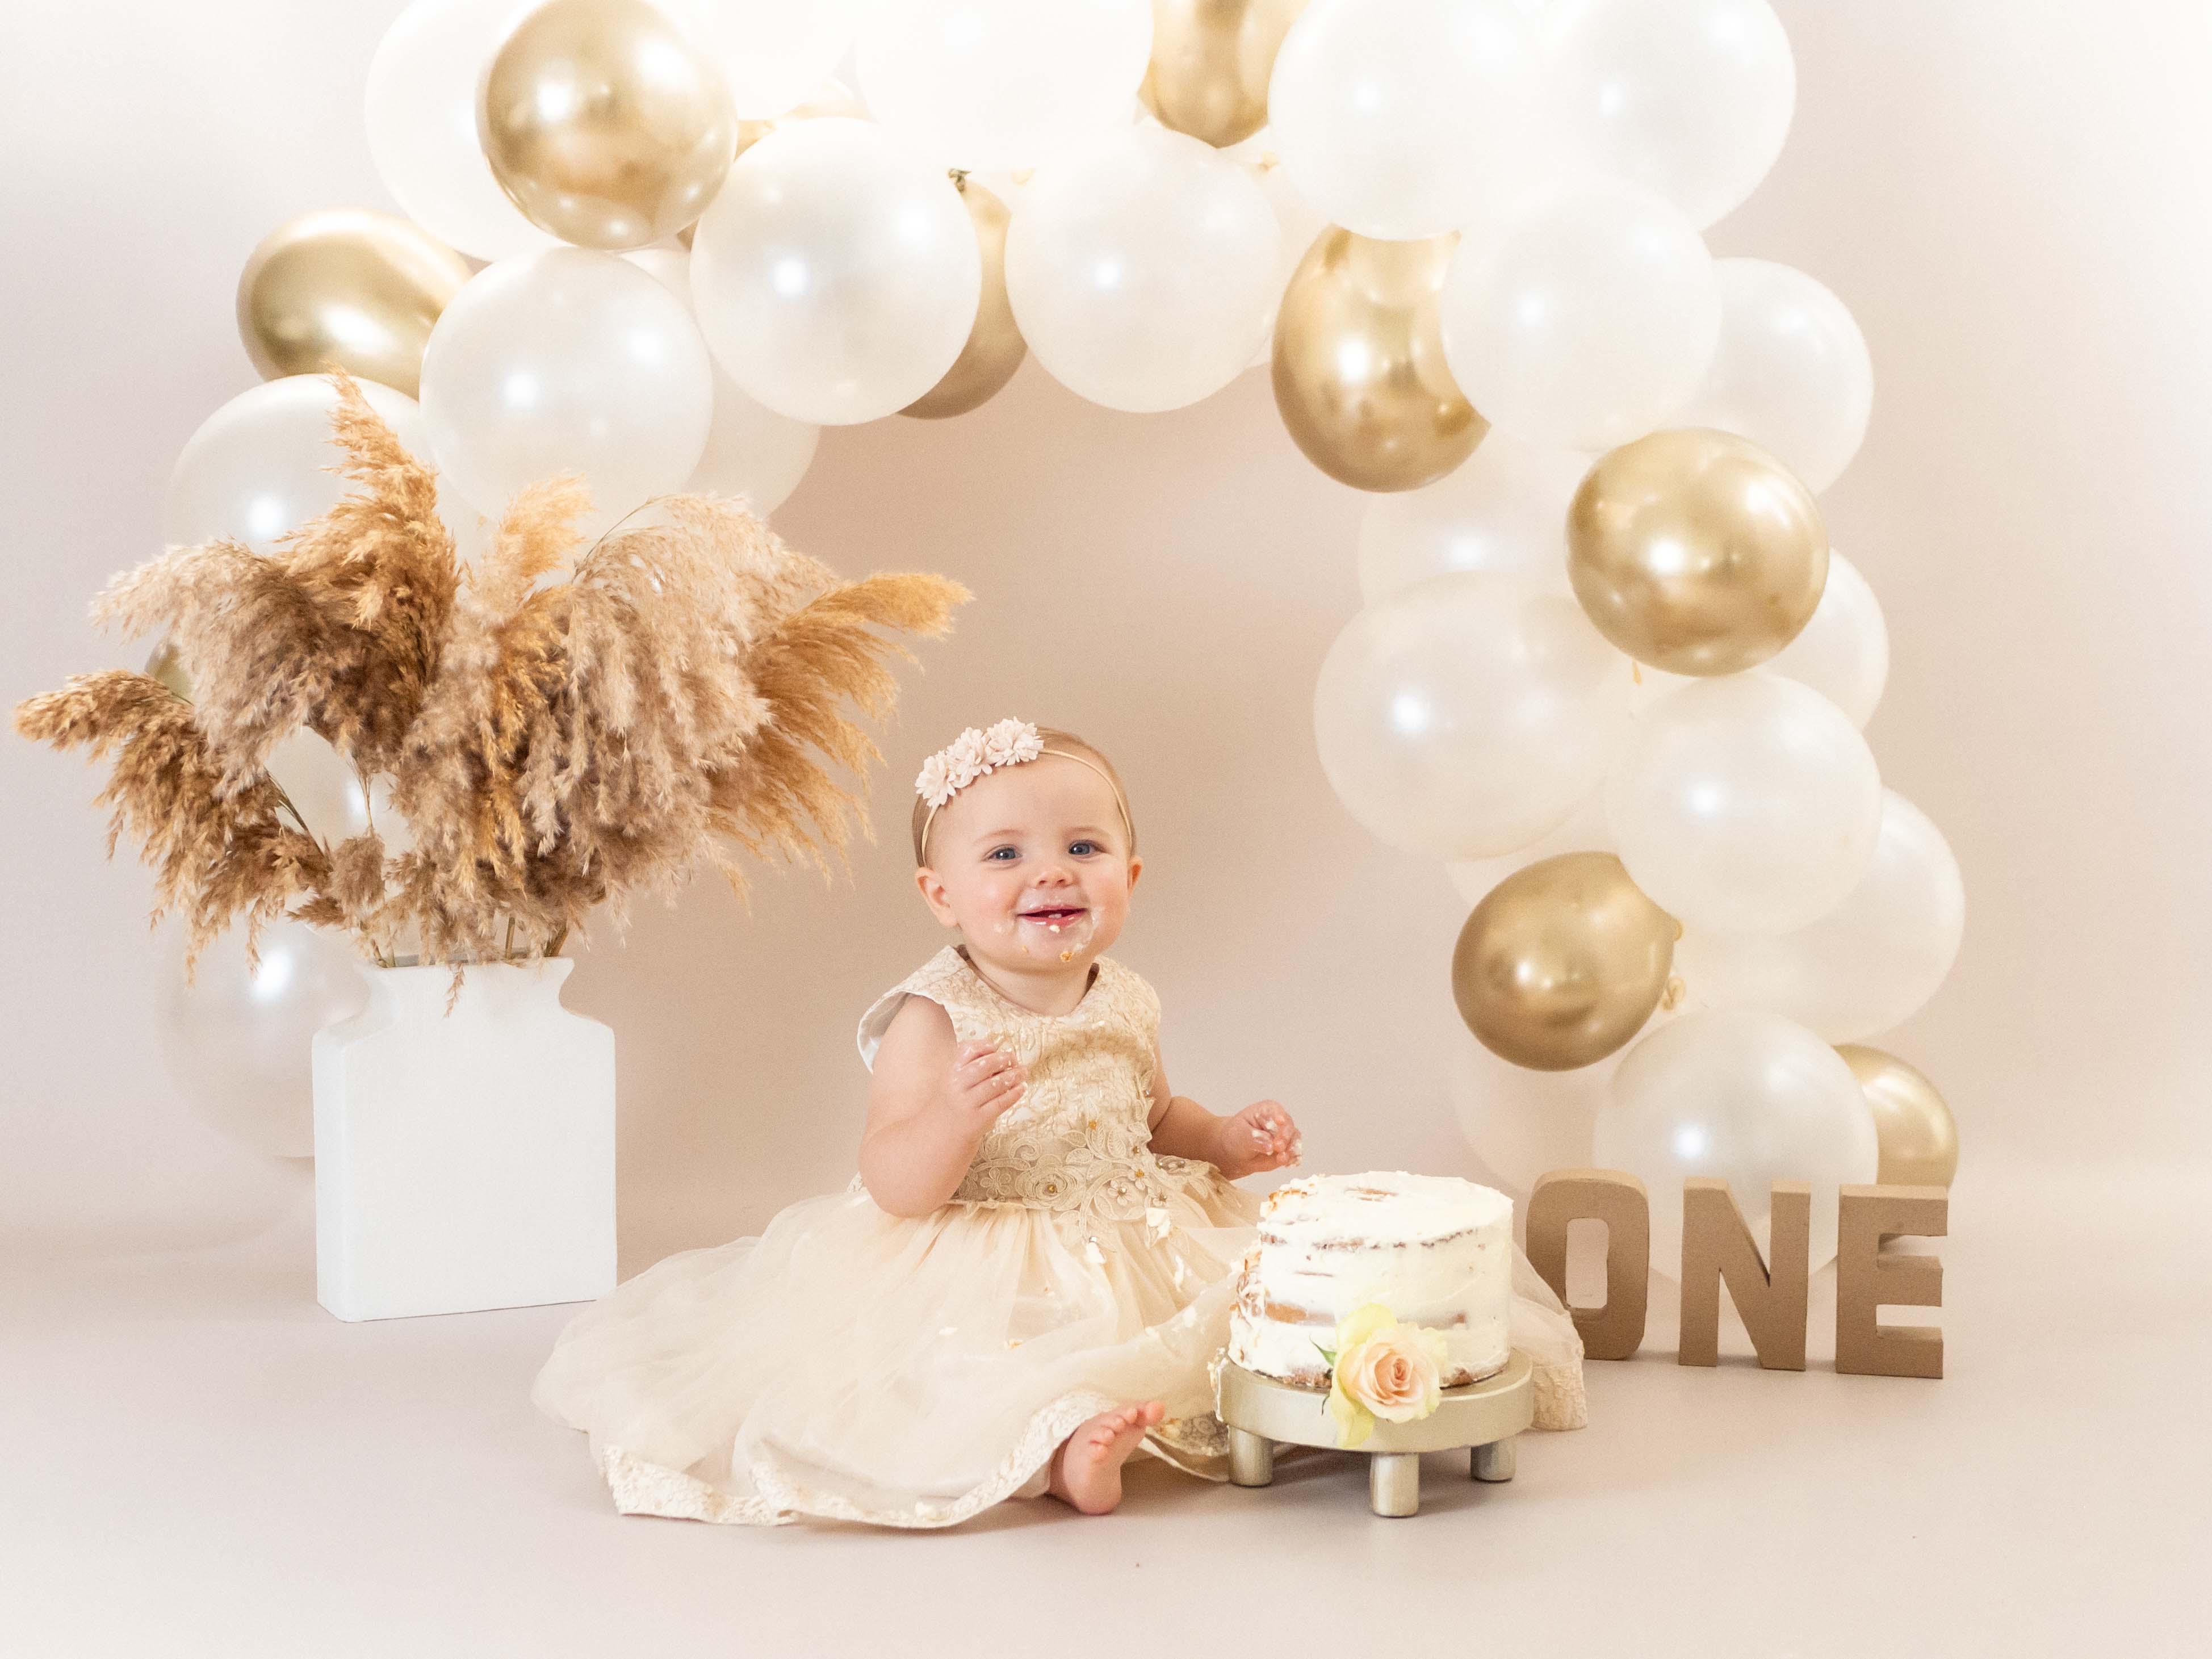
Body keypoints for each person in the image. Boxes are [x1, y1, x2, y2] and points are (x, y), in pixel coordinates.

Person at [534, 718, 1578, 1529]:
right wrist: (949, 1113)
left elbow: (1155, 1113)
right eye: (1005, 855)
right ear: (941, 895)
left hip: (1137, 1233)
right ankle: (1059, 1453)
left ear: (1130, 875)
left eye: (1084, 845)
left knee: (1251, 1331)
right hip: (984, 1246)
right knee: (969, 1370)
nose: (1050, 872)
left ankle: (1113, 1429)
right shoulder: (931, 1017)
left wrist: (1223, 1141)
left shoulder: (1125, 995)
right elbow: (896, 1181)